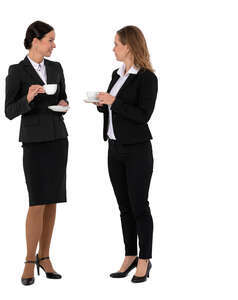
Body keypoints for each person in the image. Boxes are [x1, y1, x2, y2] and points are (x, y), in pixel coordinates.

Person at [5, 21, 69, 286]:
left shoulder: (56, 67)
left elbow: (63, 97)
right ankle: (29, 260)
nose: (54, 45)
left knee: (52, 200)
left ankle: (45, 257)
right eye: (50, 40)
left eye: (54, 41)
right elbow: (9, 111)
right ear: (35, 41)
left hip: (57, 139)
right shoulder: (17, 71)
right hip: (33, 143)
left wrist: (64, 104)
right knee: (37, 202)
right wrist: (28, 99)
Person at [95, 25, 158, 283]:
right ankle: (129, 255)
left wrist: (113, 103)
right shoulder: (116, 74)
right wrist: (102, 105)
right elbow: (115, 110)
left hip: (137, 151)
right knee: (124, 208)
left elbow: (143, 116)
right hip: (114, 149)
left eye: (117, 44)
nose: (114, 48)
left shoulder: (147, 78)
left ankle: (145, 259)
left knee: (139, 206)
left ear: (129, 46)